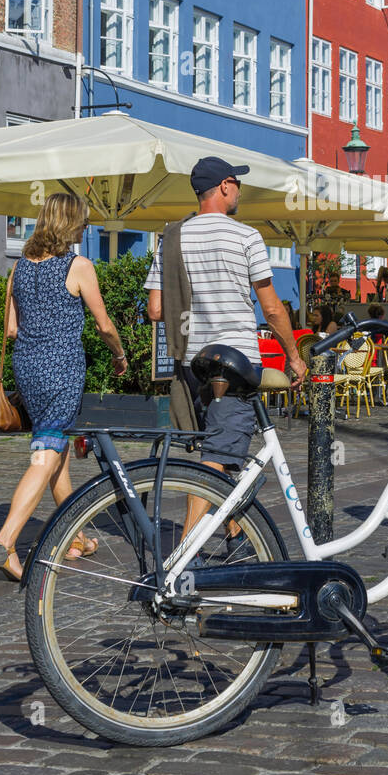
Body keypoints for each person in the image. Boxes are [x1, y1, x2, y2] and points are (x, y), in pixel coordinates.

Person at [145, 157, 306, 538]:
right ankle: (186, 551)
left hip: (193, 363)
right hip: (234, 365)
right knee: (216, 457)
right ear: (223, 187)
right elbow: (270, 306)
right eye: (237, 183)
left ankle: (234, 533)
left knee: (222, 445)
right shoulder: (246, 236)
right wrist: (295, 357)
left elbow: (155, 309)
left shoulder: (171, 237)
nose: (239, 191)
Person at [0, 194, 128, 581]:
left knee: (56, 450)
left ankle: (76, 535)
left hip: (26, 368)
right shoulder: (78, 266)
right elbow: (104, 325)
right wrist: (119, 355)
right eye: (81, 222)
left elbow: (11, 329)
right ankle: (7, 539)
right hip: (61, 369)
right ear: (70, 224)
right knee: (47, 452)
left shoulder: (19, 268)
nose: (84, 228)